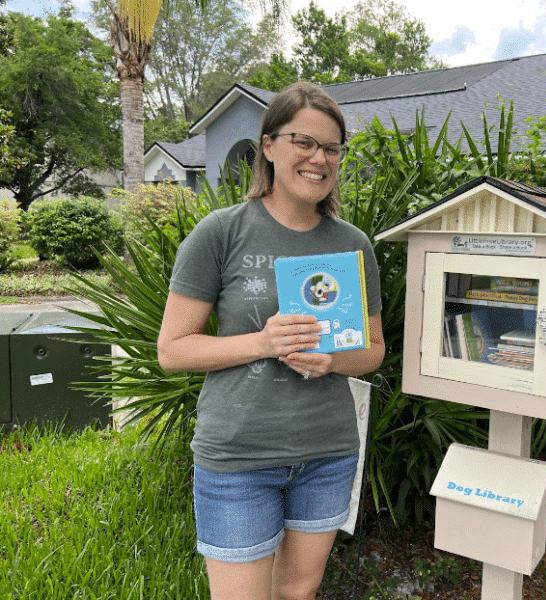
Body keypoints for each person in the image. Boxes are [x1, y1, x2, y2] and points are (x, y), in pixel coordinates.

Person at [157, 81, 385, 600]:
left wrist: (332, 361)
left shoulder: (352, 245)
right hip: (238, 457)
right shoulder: (221, 232)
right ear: (269, 146)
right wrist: (263, 343)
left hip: (327, 452)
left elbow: (372, 350)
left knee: (298, 592)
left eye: (331, 148)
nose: (319, 158)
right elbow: (172, 350)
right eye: (304, 142)